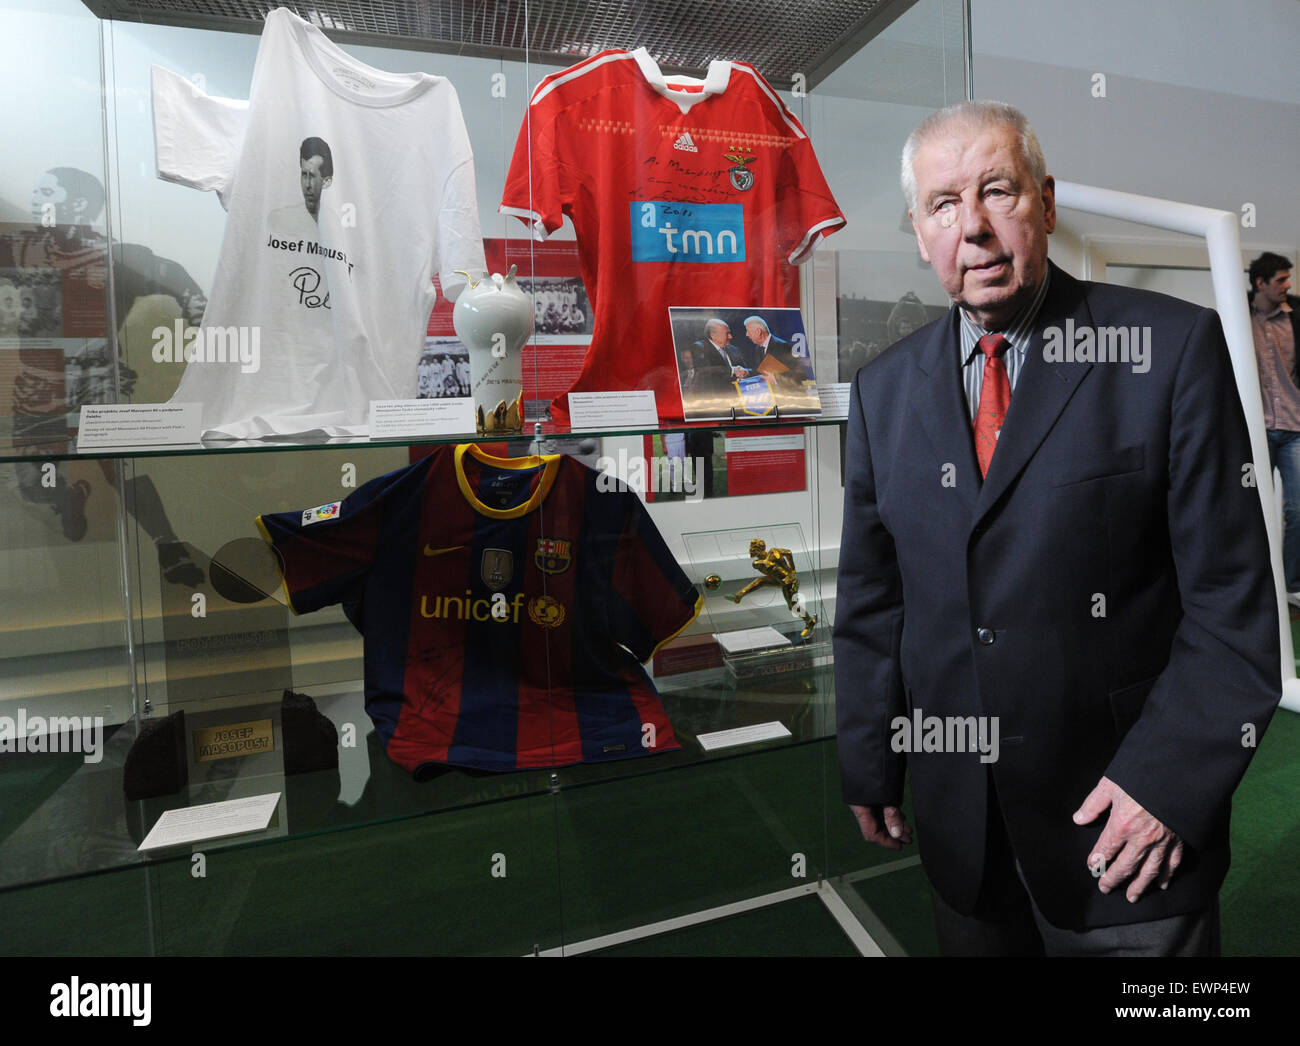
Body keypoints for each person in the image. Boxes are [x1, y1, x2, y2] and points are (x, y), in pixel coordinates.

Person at [834, 100, 1280, 957]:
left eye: (996, 192)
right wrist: (870, 758)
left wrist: (1168, 786)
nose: (974, 229)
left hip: (1127, 839)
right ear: (922, 233)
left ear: (1043, 199)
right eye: (941, 205)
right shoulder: (883, 392)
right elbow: (872, 600)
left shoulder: (1169, 350)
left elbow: (1232, 607)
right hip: (966, 837)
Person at [1246, 252, 1300, 601]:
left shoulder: (1297, 314)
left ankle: (1292, 586)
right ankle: (1257, 586)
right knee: (1251, 509)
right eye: (1281, 280)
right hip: (1255, 428)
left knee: (1298, 510)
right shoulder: (1235, 313)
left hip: (1295, 426)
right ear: (1260, 283)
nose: (1288, 285)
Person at [743, 315, 811, 384]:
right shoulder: (758, 348)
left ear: (758, 331)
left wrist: (776, 379)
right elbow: (760, 372)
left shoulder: (782, 346)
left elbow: (799, 374)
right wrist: (747, 372)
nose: (747, 334)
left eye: (748, 331)